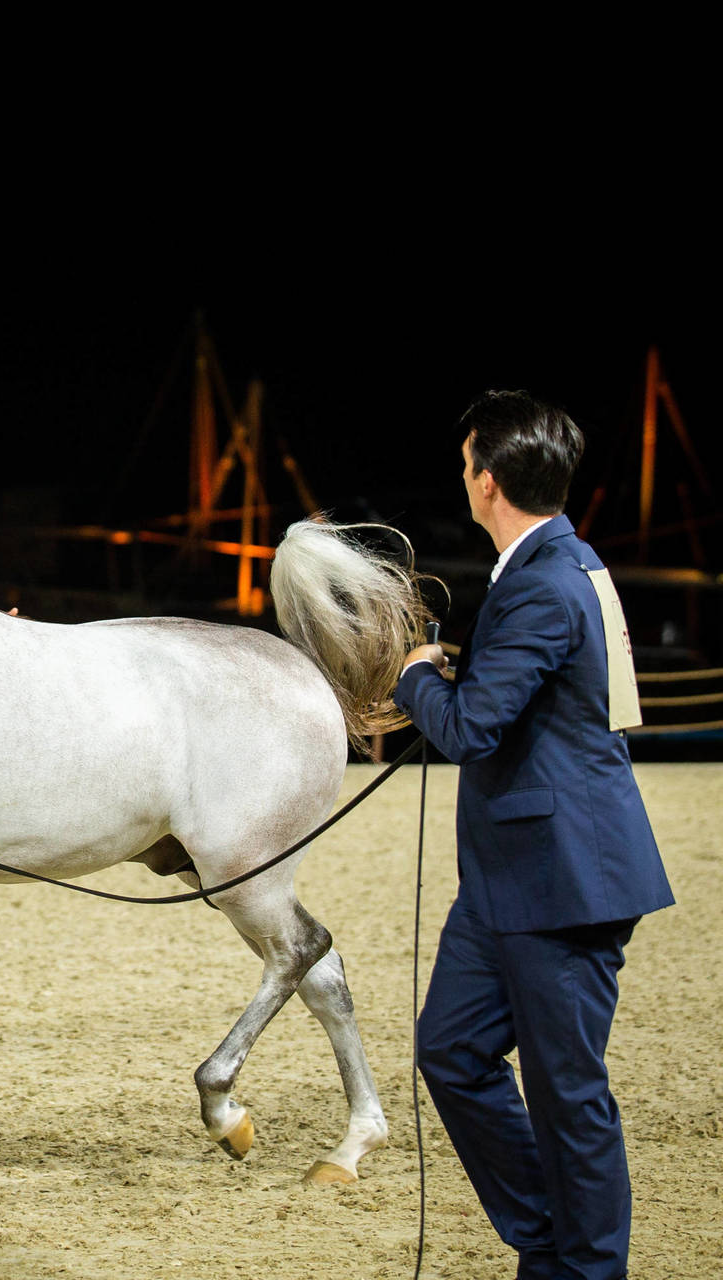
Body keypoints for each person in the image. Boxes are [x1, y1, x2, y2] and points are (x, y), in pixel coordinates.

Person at [395, 391, 673, 1280]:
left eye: (467, 461)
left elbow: (472, 728)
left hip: (562, 880)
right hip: (512, 877)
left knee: (568, 1097)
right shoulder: (555, 562)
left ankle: (585, 1270)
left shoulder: (547, 580)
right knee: (450, 1051)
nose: (464, 475)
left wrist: (413, 677)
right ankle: (547, 1240)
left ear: (487, 480)